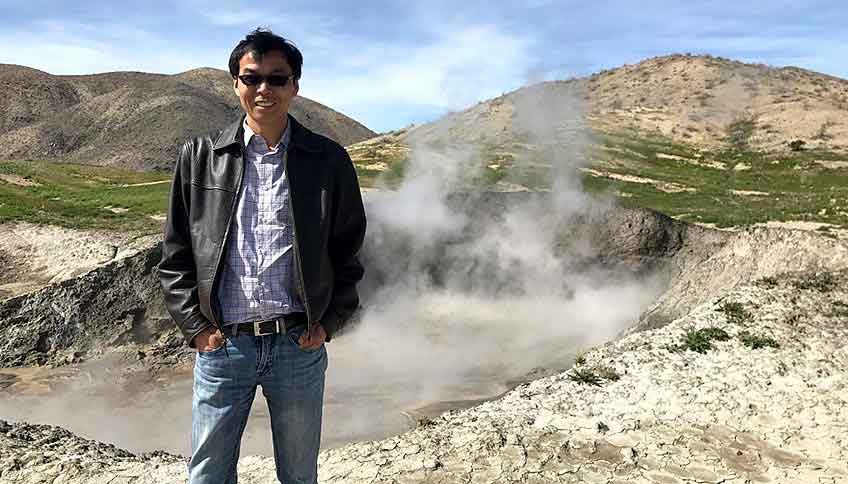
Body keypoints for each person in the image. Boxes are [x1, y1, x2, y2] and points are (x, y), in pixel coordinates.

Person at [158, 28, 366, 484]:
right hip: (224, 345)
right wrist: (197, 329)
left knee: (298, 474)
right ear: (235, 83)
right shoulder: (200, 155)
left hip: (297, 345)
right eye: (251, 78)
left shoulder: (327, 159)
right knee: (207, 475)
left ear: (296, 85)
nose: (263, 89)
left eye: (277, 78)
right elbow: (175, 252)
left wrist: (329, 323)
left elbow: (348, 250)